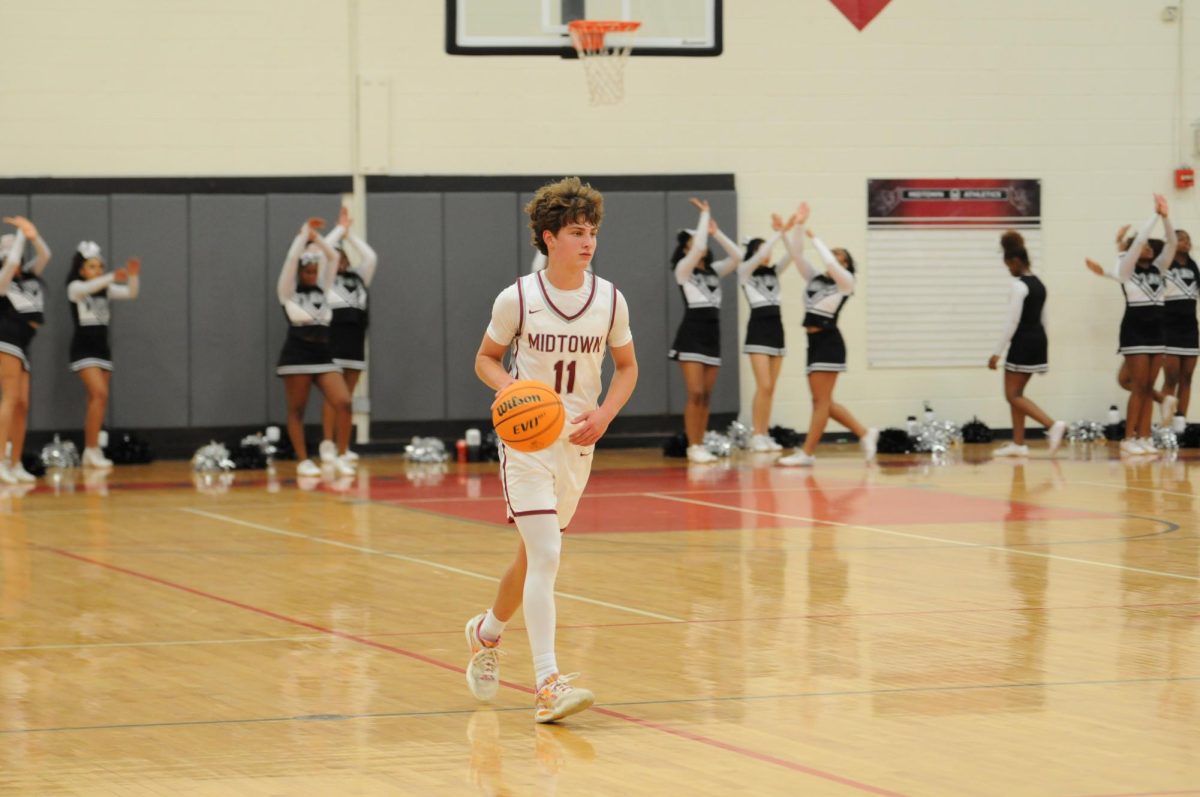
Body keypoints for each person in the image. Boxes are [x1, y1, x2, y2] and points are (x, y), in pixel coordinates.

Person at [464, 176, 637, 723]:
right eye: (577, 233)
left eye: (592, 233)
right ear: (549, 238)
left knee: (532, 556)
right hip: (526, 442)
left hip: (576, 444)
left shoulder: (609, 299)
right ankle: (547, 684)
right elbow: (486, 359)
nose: (588, 242)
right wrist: (508, 387)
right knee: (548, 556)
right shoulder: (517, 297)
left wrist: (605, 414)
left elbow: (628, 367)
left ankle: (487, 633)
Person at [777, 208, 877, 466]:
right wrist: (798, 226)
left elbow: (831, 264)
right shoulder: (815, 278)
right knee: (822, 401)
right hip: (814, 342)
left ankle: (808, 453)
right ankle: (866, 433)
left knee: (821, 402)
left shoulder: (846, 282)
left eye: (840, 256)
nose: (833, 257)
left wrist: (816, 238)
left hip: (830, 342)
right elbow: (797, 255)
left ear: (846, 264)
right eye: (833, 254)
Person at [1085, 195, 1175, 455]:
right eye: (1141, 245)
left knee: (1148, 387)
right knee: (1137, 386)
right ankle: (1128, 438)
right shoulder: (1126, 271)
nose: (1146, 247)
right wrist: (1154, 216)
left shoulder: (1159, 269)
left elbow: (1170, 243)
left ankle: (1145, 437)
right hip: (1135, 329)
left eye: (1149, 245)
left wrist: (1166, 217)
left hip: (1158, 330)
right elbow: (1134, 245)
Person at [275, 217, 354, 478]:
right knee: (297, 409)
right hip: (297, 355)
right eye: (307, 271)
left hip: (323, 354)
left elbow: (331, 257)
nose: (311, 275)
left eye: (313, 271)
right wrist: (302, 239)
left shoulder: (324, 287)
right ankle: (303, 460)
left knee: (343, 401)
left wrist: (317, 236)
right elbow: (289, 261)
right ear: (299, 272)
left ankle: (342, 455)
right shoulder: (287, 292)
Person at [668, 198, 742, 463]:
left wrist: (716, 232)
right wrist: (705, 214)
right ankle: (693, 446)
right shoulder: (683, 271)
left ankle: (700, 443)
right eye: (692, 240)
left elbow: (737, 256)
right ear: (685, 247)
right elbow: (699, 246)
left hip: (713, 335)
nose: (698, 243)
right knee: (695, 392)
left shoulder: (714, 271)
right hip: (691, 334)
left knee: (707, 395)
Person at [988, 231, 1066, 456]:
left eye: (1008, 266)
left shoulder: (1019, 286)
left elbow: (1012, 322)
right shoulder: (1039, 284)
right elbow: (1044, 319)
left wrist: (997, 352)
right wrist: (1044, 350)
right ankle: (1019, 443)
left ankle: (1052, 425)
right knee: (1018, 394)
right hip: (1038, 341)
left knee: (1012, 395)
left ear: (1014, 261)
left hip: (1022, 342)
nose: (1008, 270)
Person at [66, 241, 141, 469]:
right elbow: (89, 287)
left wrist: (133, 276)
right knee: (99, 394)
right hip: (83, 349)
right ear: (81, 270)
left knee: (97, 400)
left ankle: (92, 449)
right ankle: (90, 449)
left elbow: (131, 293)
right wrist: (110, 276)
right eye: (91, 266)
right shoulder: (75, 288)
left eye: (99, 266)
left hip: (102, 350)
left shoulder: (105, 289)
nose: (97, 271)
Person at [737, 207, 805, 452]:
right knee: (763, 384)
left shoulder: (774, 272)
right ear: (754, 252)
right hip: (758, 330)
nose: (767, 254)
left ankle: (764, 433)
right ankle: (756, 434)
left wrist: (790, 230)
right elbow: (759, 255)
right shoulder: (745, 273)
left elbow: (794, 254)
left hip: (777, 329)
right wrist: (777, 233)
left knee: (771, 387)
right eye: (762, 250)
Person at [317, 207, 378, 465]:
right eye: (334, 257)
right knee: (335, 397)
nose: (338, 260)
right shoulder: (326, 280)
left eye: (342, 257)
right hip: (334, 343)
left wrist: (350, 235)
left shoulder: (359, 277)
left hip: (355, 345)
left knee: (348, 398)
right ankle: (327, 444)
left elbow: (370, 256)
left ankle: (343, 447)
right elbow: (325, 249)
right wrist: (339, 230)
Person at [0, 217, 50, 484]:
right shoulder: (3, 280)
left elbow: (45, 254)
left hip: (23, 343)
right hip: (5, 337)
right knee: (9, 398)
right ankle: (0, 461)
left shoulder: (30, 275)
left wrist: (33, 235)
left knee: (22, 405)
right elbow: (9, 264)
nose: (16, 258)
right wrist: (19, 236)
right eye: (8, 253)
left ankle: (15, 462)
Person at [1161, 228, 1196, 431]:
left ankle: (1180, 423)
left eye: (1187, 239)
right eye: (1181, 239)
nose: (1186, 242)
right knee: (1171, 377)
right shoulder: (1164, 266)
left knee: (1187, 378)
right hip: (1169, 327)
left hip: (1190, 328)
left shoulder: (1195, 268)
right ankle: (1165, 424)